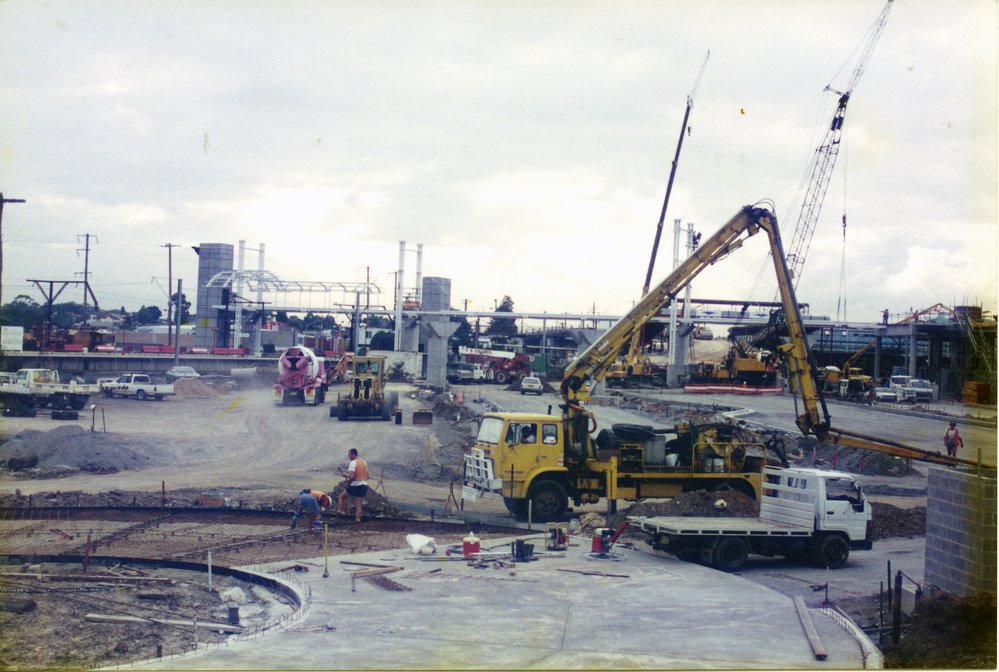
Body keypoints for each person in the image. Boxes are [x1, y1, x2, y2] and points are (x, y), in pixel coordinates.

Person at [337, 448, 369, 522]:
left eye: (349, 454)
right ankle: (357, 520)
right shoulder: (364, 462)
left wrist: (345, 474)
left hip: (356, 485)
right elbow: (367, 476)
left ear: (353, 454)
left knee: (341, 497)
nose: (348, 456)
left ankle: (338, 514)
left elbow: (351, 477)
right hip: (364, 486)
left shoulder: (353, 462)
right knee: (359, 505)